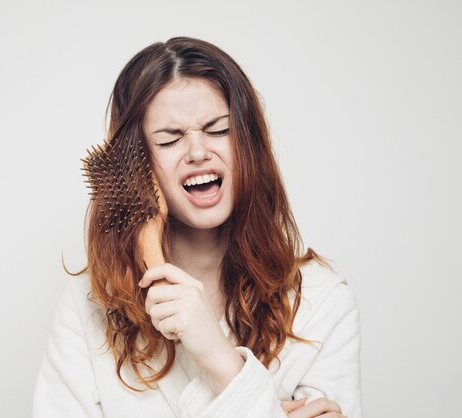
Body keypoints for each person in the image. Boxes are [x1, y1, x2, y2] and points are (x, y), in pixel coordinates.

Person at [33, 37, 362, 418]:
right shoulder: (87, 306)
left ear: (248, 144)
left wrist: (221, 358)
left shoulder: (320, 303)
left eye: (218, 130)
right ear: (135, 167)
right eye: (170, 139)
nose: (197, 152)